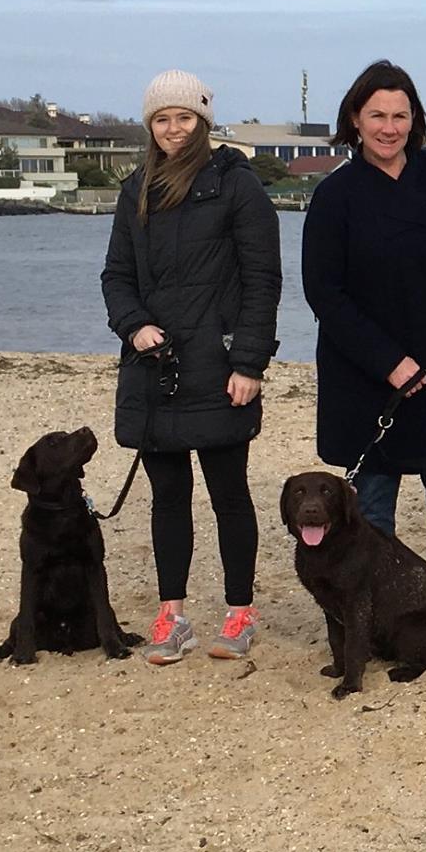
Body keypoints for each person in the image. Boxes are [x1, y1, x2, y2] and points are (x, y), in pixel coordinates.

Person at [302, 60, 426, 618]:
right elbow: (324, 292)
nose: (388, 127)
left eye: (400, 115)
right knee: (369, 507)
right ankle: (369, 617)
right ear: (354, 120)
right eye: (377, 116)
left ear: (414, 120)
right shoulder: (335, 197)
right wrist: (388, 362)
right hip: (365, 376)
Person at [101, 69, 281, 663]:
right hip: (154, 367)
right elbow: (116, 276)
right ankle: (172, 616)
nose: (173, 128)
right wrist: (133, 325)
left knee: (230, 493)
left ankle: (239, 612)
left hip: (221, 363)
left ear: (202, 120)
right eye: (162, 118)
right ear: (150, 125)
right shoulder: (137, 190)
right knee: (168, 496)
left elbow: (262, 279)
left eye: (184, 117)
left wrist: (250, 362)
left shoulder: (237, 185)